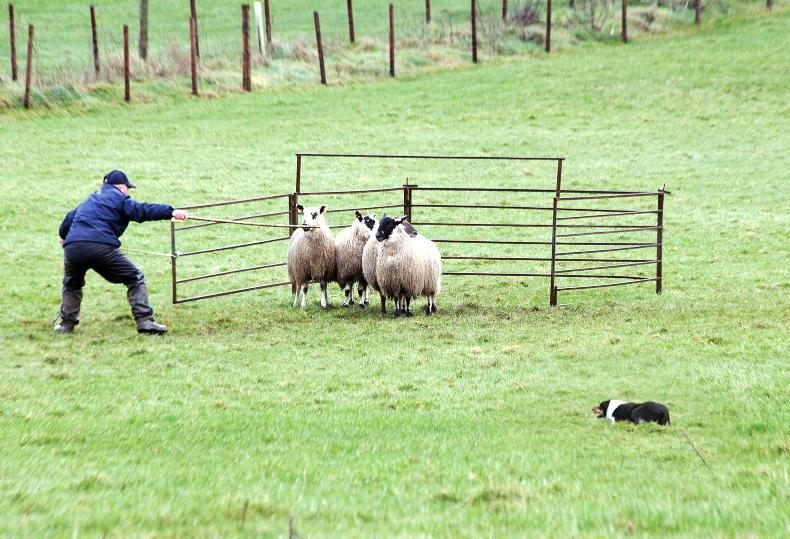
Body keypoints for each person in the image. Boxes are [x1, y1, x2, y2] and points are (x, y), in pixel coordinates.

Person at [55, 170, 188, 334]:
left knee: (72, 283)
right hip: (101, 247)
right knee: (134, 277)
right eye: (128, 188)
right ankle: (145, 321)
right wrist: (171, 212)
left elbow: (68, 221)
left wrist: (64, 238)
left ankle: (66, 325)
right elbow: (142, 210)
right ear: (120, 186)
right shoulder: (120, 199)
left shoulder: (89, 200)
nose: (128, 192)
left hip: (73, 248)